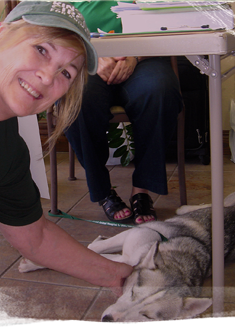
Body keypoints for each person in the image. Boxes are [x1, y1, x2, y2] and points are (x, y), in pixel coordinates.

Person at [0, 1, 132, 323]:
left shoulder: (5, 152)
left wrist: (118, 274)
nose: (48, 77)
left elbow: (37, 239)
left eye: (66, 72)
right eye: (42, 50)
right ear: (2, 34)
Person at [65, 1, 183, 225]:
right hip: (87, 61)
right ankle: (104, 190)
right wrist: (90, 57)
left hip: (144, 57)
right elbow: (51, 31)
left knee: (159, 90)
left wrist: (135, 57)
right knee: (78, 98)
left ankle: (142, 190)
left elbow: (165, 25)